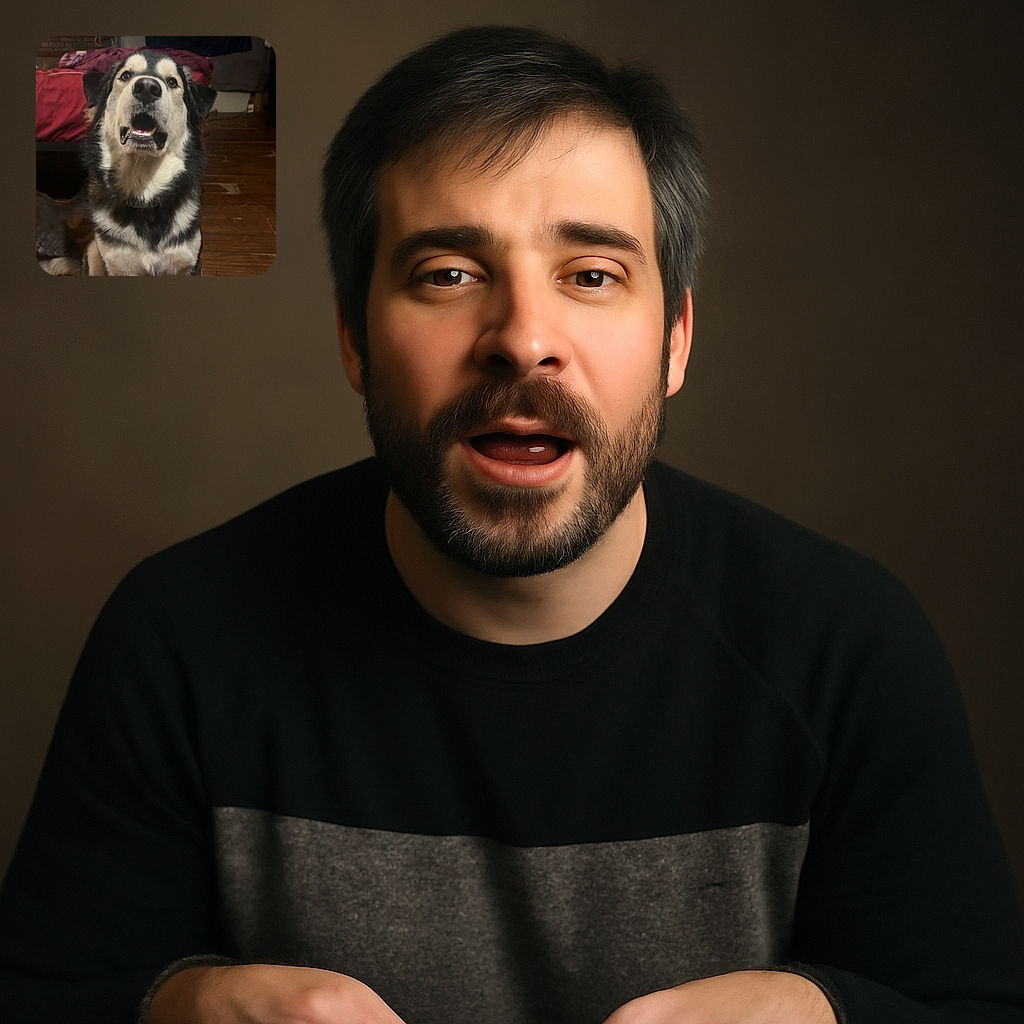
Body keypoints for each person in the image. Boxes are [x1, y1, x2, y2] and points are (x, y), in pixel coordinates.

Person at [1, 23, 1022, 1024]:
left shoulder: (849, 648)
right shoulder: (179, 638)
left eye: (591, 275)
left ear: (675, 340)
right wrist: (185, 1003)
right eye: (447, 273)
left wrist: (820, 1012)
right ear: (355, 341)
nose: (523, 340)